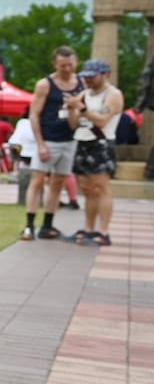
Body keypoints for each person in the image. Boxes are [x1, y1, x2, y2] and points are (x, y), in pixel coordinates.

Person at [21, 46, 81, 241]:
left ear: (76, 62)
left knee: (58, 182)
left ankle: (48, 224)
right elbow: (34, 114)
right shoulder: (45, 84)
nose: (67, 69)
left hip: (69, 139)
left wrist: (73, 108)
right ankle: (29, 224)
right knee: (37, 180)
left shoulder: (80, 84)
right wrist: (40, 143)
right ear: (55, 63)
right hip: (48, 138)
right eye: (63, 65)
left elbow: (78, 118)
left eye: (70, 65)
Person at [68, 58, 122, 246]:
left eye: (92, 76)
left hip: (101, 143)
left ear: (105, 74)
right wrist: (71, 110)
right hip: (82, 142)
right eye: (86, 76)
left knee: (101, 188)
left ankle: (104, 231)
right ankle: (89, 228)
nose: (88, 80)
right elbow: (73, 124)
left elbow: (102, 121)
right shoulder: (83, 94)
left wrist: (82, 108)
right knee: (88, 189)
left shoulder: (112, 94)